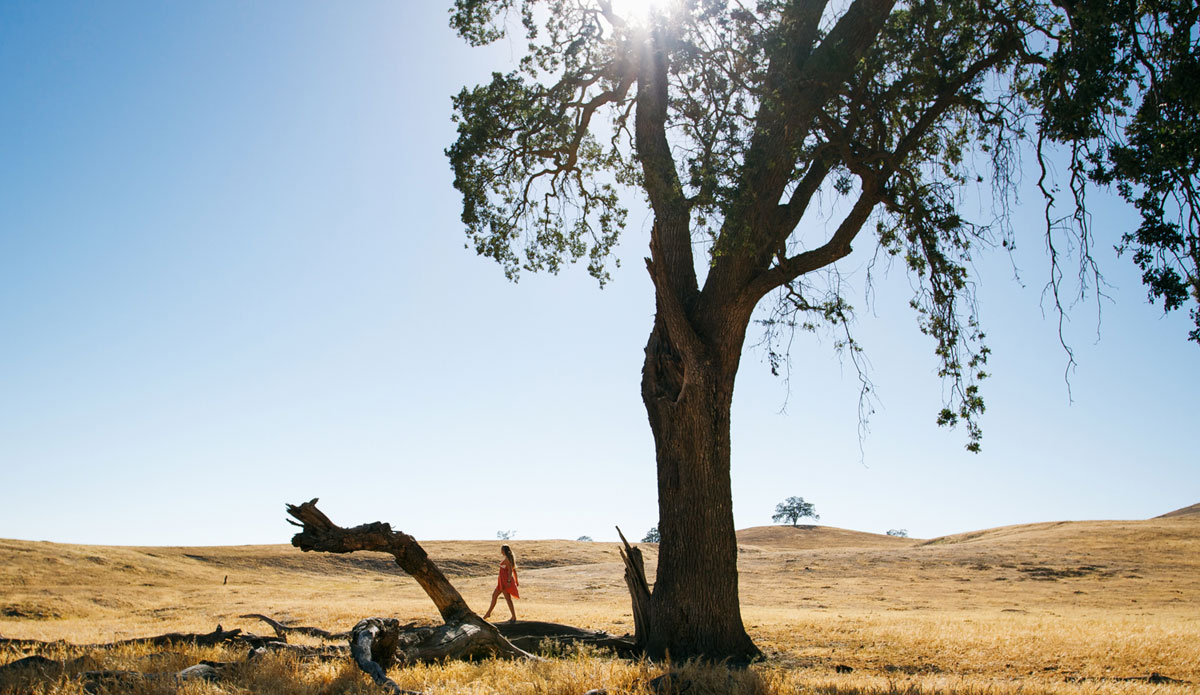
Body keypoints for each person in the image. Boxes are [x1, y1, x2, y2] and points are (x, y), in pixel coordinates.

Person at [482, 544, 519, 622]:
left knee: (507, 599)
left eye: (501, 550)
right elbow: (514, 570)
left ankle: (513, 616)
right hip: (502, 582)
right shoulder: (508, 559)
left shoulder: (507, 560)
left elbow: (510, 571)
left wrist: (509, 581)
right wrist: (516, 580)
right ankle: (488, 613)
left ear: (504, 551)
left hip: (505, 582)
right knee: (495, 596)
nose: (501, 551)